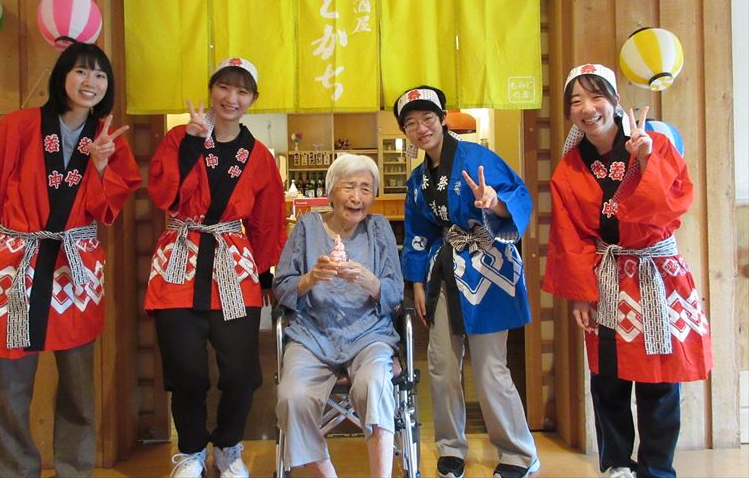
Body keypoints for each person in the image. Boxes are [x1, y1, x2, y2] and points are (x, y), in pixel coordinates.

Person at [0, 42, 142, 477]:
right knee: (10, 388)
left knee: (80, 387)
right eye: (81, 71)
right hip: (15, 265)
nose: (90, 82)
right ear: (62, 76)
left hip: (73, 271)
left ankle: (74, 469)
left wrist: (100, 165)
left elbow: (107, 209)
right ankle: (16, 471)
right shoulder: (18, 126)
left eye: (100, 75)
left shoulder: (107, 138)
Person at [543, 64, 712, 478]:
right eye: (576, 101)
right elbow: (570, 235)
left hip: (656, 273)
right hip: (606, 277)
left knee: (658, 380)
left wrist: (646, 161)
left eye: (596, 96)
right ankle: (617, 464)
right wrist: (580, 292)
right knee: (608, 379)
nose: (587, 108)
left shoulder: (653, 144)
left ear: (615, 102)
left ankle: (657, 468)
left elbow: (670, 207)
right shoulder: (569, 168)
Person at [145, 57, 286, 478]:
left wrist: (263, 273)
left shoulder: (258, 156)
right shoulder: (177, 138)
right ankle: (189, 451)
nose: (231, 98)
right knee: (185, 370)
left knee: (242, 372)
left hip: (233, 262)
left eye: (242, 91)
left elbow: (268, 218)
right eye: (224, 87)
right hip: (179, 262)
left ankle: (227, 445)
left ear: (253, 100)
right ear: (211, 90)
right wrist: (190, 144)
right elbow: (163, 195)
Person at [396, 86, 539, 478]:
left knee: (491, 367)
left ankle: (518, 453)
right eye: (411, 123)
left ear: (442, 118)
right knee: (442, 363)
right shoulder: (418, 180)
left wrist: (493, 202)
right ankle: (451, 447)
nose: (421, 128)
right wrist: (418, 284)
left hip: (488, 267)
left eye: (427, 118)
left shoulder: (478, 159)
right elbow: (418, 232)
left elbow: (517, 195)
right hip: (444, 272)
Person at [274, 154, 404, 478]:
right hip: (312, 334)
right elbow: (282, 286)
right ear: (331, 191)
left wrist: (369, 281)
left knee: (375, 384)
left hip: (369, 334)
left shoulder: (379, 228)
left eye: (366, 188)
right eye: (349, 187)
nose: (357, 197)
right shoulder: (306, 226)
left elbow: (395, 290)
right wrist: (310, 279)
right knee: (293, 396)